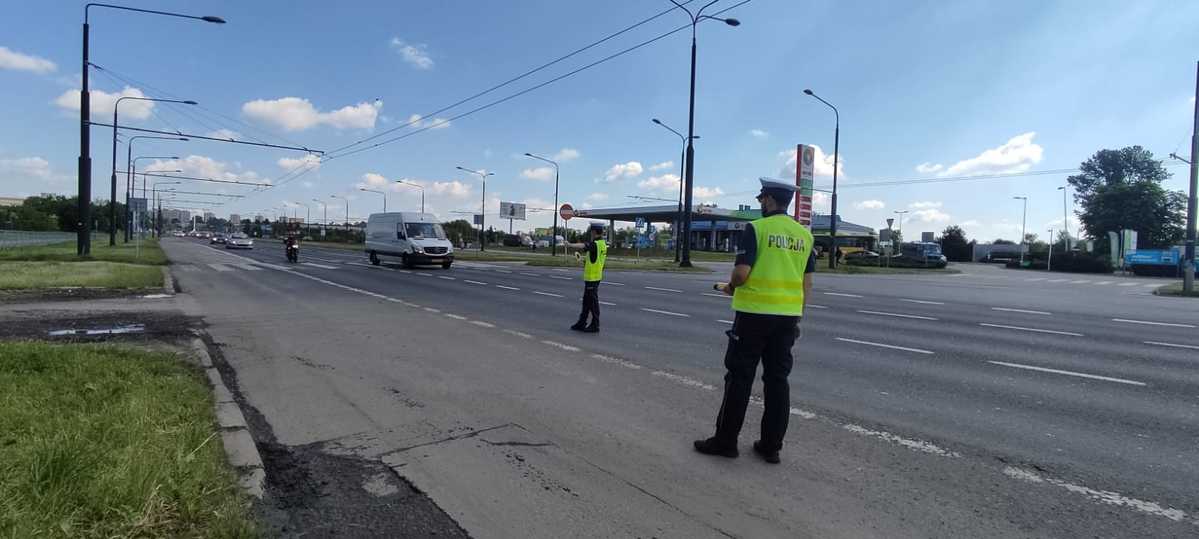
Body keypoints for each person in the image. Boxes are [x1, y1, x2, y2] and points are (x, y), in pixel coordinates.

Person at [694, 178, 815, 464]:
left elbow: (741, 274)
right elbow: (807, 284)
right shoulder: (804, 236)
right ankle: (771, 447)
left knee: (739, 378)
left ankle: (726, 442)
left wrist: (730, 287)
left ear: (770, 200)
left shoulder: (756, 229)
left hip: (753, 316)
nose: (760, 203)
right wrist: (796, 315)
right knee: (777, 381)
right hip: (787, 319)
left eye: (762, 199)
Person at [565, 223, 607, 333]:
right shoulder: (602, 244)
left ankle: (595, 325)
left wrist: (570, 245)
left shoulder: (596, 244)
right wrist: (583, 261)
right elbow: (594, 259)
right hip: (594, 277)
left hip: (592, 278)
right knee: (587, 302)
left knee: (592, 303)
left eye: (591, 231)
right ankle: (581, 322)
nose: (590, 234)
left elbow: (584, 245)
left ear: (594, 232)